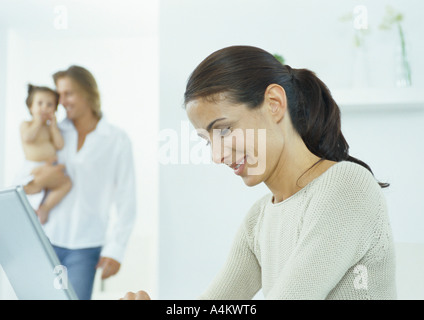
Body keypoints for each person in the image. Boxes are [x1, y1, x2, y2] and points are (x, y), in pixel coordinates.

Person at [121, 45, 396, 300]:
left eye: (224, 130)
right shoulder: (259, 218)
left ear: (274, 103)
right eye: (208, 141)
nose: (217, 156)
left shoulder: (346, 186)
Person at [24, 65, 137, 300]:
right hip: (47, 240)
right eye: (59, 94)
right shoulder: (53, 133)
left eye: (68, 94)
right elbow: (26, 178)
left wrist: (115, 250)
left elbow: (127, 198)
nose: (61, 101)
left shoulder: (116, 139)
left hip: (86, 246)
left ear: (88, 93)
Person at [19, 84, 72, 224]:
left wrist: (53, 127)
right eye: (40, 103)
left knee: (67, 183)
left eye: (49, 105)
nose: (44, 108)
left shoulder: (50, 128)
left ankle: (45, 208)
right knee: (31, 189)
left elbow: (60, 145)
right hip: (34, 167)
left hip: (50, 165)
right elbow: (27, 138)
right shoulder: (27, 125)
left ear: (54, 110)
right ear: (31, 107)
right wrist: (37, 121)